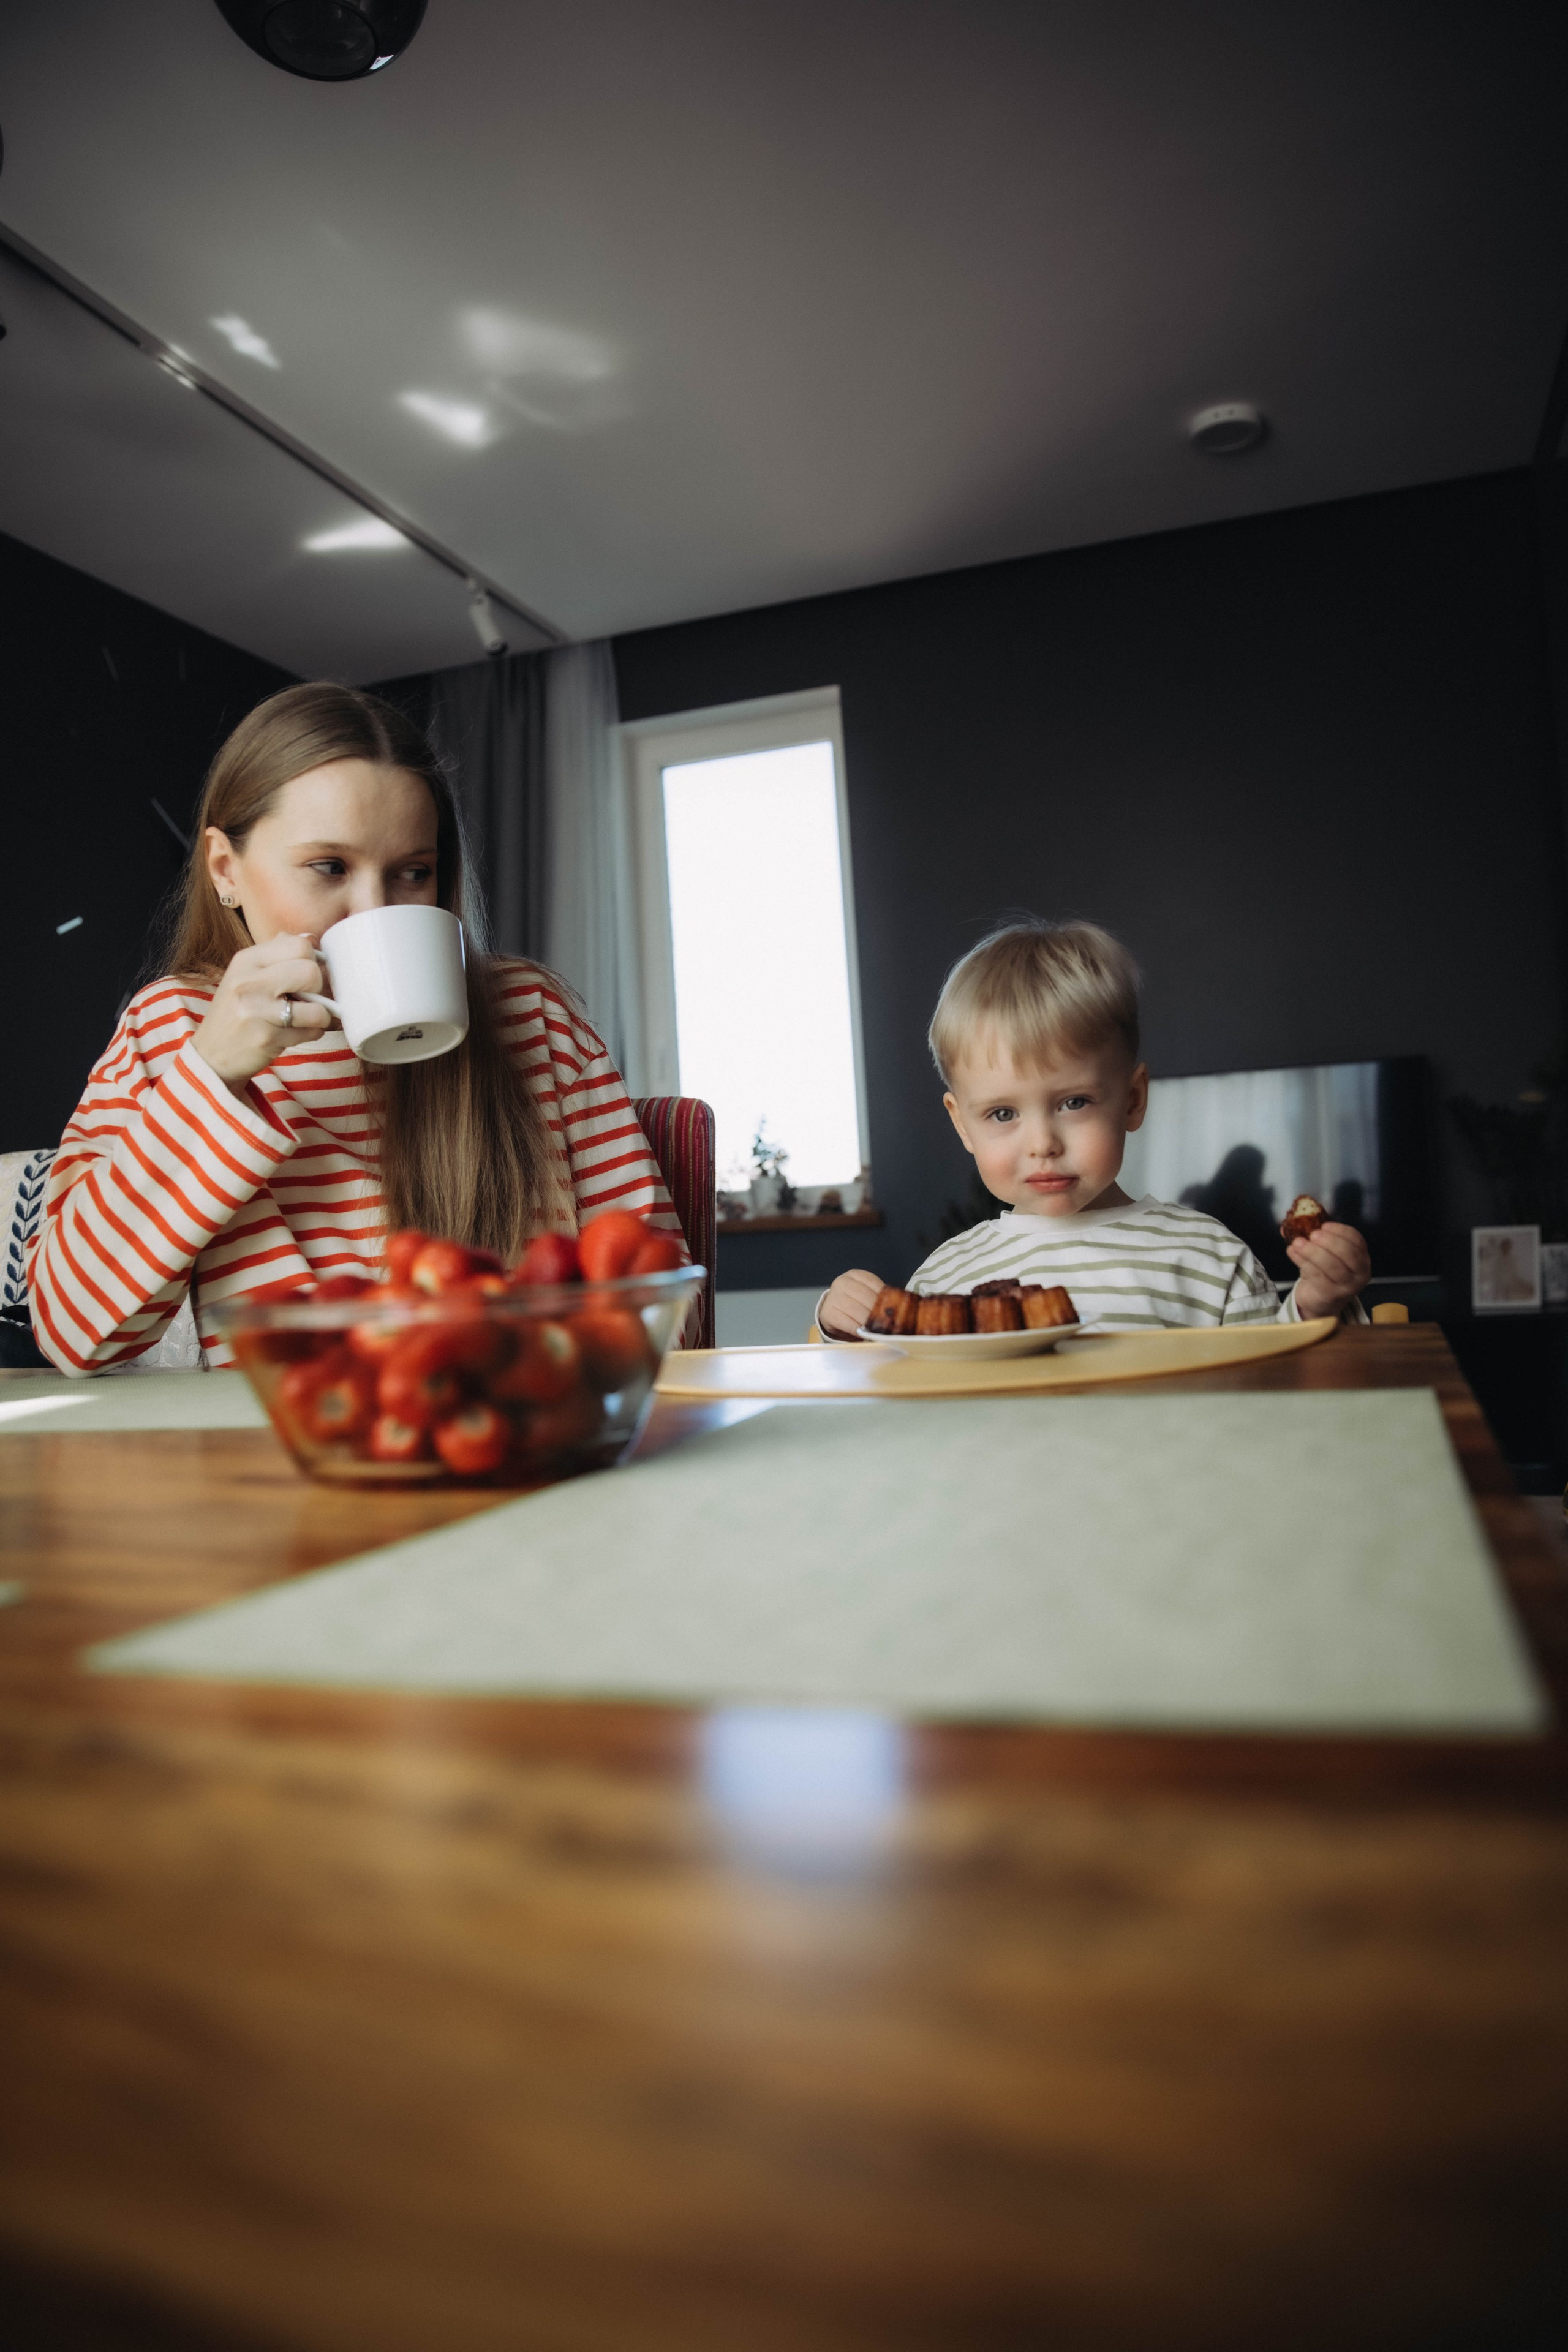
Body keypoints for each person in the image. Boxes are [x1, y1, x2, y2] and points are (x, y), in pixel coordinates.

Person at [30, 683, 682, 1373]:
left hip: (515, 1435)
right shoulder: (169, 1031)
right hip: (288, 1453)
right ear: (226, 871)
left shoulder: (531, 1016)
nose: (371, 912)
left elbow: (666, 1309)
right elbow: (73, 1334)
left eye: (412, 872)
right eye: (329, 867)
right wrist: (210, 1076)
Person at [819, 919, 1370, 1339]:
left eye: (1074, 1102)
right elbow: (895, 1396)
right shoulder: (944, 1276)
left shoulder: (1207, 1258)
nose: (1042, 1145)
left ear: (1131, 1100)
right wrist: (840, 1325)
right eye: (1003, 1114)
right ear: (962, 1125)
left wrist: (1316, 1306)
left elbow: (1275, 1382)